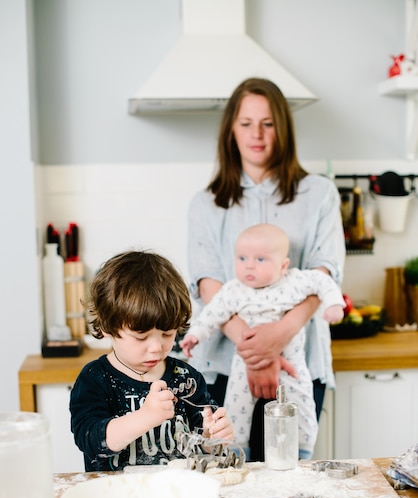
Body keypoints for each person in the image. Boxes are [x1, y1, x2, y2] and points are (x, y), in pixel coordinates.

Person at [186, 77, 345, 461]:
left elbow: (324, 274)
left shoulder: (320, 194)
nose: (257, 134)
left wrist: (277, 336)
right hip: (224, 368)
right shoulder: (205, 204)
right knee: (231, 475)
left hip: (297, 362)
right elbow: (210, 284)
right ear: (231, 131)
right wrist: (253, 349)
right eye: (246, 123)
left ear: (283, 129)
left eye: (268, 123)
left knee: (290, 472)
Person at [181, 224, 345, 458]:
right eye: (242, 258)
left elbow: (323, 281)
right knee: (235, 409)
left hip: (291, 362)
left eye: (260, 259)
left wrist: (334, 304)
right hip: (245, 362)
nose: (249, 265)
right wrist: (194, 334)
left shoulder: (294, 281)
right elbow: (212, 312)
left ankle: (303, 451)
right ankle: (238, 452)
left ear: (283, 265)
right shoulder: (234, 290)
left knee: (302, 404)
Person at [70, 250, 234, 471]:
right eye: (141, 337)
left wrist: (213, 436)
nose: (157, 348)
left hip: (178, 496)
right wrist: (145, 417)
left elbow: (205, 445)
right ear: (107, 327)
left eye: (167, 334)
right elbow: (90, 441)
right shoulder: (95, 379)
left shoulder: (187, 379)